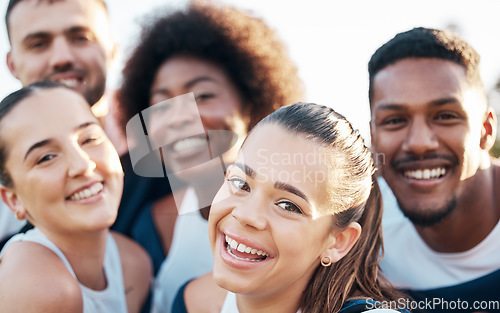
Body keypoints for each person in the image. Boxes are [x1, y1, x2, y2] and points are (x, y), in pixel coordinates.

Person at [117, 1, 303, 312]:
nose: (178, 118)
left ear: (253, 105)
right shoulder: (150, 225)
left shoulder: (297, 219)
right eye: (161, 105)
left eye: (202, 96)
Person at [173, 102, 407, 313]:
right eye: (241, 183)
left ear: (339, 241)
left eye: (288, 206)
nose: (246, 215)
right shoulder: (191, 300)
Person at [2, 0, 170, 249]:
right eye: (38, 44)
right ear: (12, 65)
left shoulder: (166, 129)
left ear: (113, 51)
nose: (62, 58)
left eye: (81, 37)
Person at [369, 27, 500, 312]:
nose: (419, 144)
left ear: (485, 130)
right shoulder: (356, 229)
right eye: (394, 120)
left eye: (445, 116)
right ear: (374, 136)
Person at [0, 81, 152, 313]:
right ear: (13, 200)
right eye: (47, 157)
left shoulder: (134, 263)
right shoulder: (38, 287)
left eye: (89, 139)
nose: (82, 164)